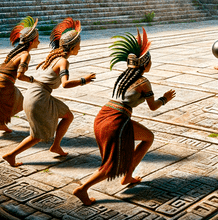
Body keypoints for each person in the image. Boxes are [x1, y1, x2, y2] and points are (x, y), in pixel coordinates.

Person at [73, 28, 176, 205]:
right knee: (111, 165)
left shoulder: (123, 77)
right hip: (116, 121)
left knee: (148, 137)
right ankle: (82, 189)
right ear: (145, 64)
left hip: (105, 115)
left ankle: (128, 176)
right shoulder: (143, 82)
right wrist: (164, 98)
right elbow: (153, 107)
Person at [3, 18, 95, 166]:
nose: (80, 48)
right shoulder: (63, 61)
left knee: (68, 115)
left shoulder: (56, 56)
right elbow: (65, 84)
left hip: (37, 94)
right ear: (72, 47)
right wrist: (84, 80)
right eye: (78, 45)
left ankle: (56, 146)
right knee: (37, 136)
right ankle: (11, 155)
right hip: (38, 98)